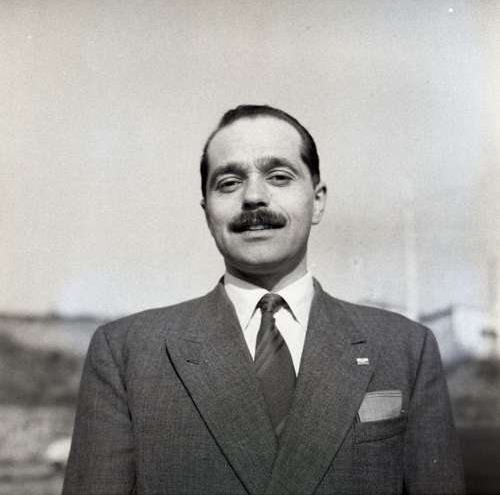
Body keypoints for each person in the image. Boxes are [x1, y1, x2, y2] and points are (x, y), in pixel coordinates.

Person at [63, 105, 465, 495]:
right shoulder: (127, 352)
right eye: (228, 183)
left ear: (318, 200)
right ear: (207, 212)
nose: (254, 197)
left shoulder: (405, 349)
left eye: (279, 177)